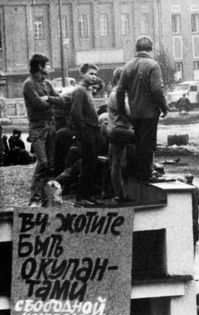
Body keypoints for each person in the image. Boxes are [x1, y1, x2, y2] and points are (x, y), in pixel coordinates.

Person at [116, 36, 169, 183]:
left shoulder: (127, 66)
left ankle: (141, 173)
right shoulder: (153, 65)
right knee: (148, 144)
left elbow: (120, 90)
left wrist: (122, 111)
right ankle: (147, 173)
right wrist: (164, 107)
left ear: (137, 49)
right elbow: (157, 89)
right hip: (150, 112)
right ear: (150, 49)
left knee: (138, 143)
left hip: (134, 112)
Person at [23, 54, 65, 206]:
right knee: (43, 162)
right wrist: (51, 100)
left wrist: (48, 99)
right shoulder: (29, 84)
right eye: (47, 65)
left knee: (50, 164)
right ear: (40, 67)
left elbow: (62, 101)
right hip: (38, 127)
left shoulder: (47, 84)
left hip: (51, 125)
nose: (49, 68)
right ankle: (34, 199)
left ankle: (46, 198)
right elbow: (37, 104)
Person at [70, 63, 103, 206]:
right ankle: (81, 198)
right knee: (87, 165)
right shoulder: (79, 90)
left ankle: (87, 196)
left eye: (95, 74)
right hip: (86, 132)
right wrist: (83, 131)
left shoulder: (87, 90)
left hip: (92, 131)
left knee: (92, 165)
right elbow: (75, 113)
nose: (94, 77)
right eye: (91, 73)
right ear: (82, 74)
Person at [106, 67, 135, 204]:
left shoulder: (114, 93)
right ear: (119, 79)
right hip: (120, 129)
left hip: (113, 129)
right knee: (144, 141)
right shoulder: (117, 94)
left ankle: (120, 195)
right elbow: (128, 113)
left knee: (116, 163)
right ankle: (146, 173)